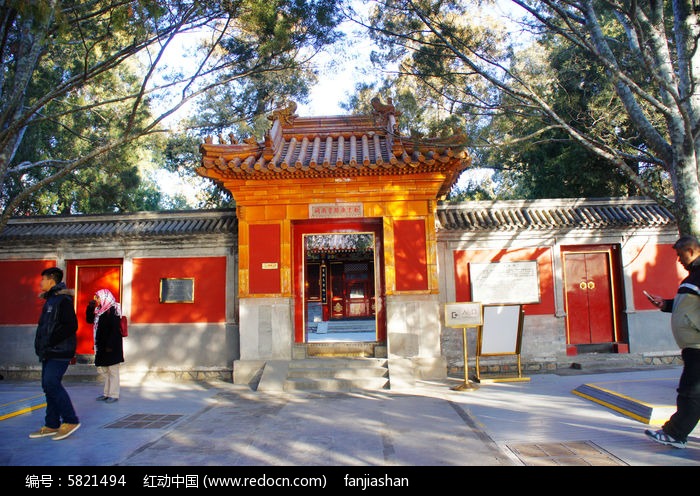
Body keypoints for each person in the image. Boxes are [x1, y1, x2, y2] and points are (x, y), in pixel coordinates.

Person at [644, 235, 700, 449]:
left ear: (692, 250)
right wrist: (665, 304)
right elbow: (688, 309)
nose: (678, 260)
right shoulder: (694, 276)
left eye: (680, 254)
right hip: (692, 346)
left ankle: (675, 434)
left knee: (690, 393)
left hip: (698, 347)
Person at [29, 267, 81, 440]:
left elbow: (71, 325)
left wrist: (51, 340)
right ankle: (52, 424)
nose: (40, 283)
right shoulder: (50, 300)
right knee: (48, 386)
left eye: (43, 279)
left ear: (51, 279)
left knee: (51, 383)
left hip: (59, 351)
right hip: (48, 351)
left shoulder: (62, 300)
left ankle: (70, 419)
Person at [86, 289, 124, 403]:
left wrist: (110, 345)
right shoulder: (99, 310)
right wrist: (90, 307)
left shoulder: (113, 310)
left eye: (97, 297)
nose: (96, 300)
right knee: (104, 370)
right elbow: (89, 320)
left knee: (113, 371)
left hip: (112, 346)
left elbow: (114, 329)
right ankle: (106, 393)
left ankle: (114, 394)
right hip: (101, 344)